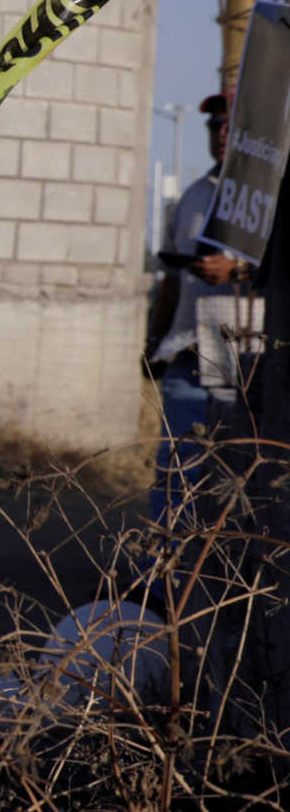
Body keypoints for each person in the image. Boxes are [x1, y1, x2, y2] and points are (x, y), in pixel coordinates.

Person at [146, 92, 260, 522]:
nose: (221, 134)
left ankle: (227, 574)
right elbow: (171, 280)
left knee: (241, 474)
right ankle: (164, 573)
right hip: (189, 355)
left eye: (231, 125)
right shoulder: (194, 196)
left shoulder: (268, 201)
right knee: (178, 467)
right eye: (215, 126)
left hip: (247, 360)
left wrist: (237, 271)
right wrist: (155, 342)